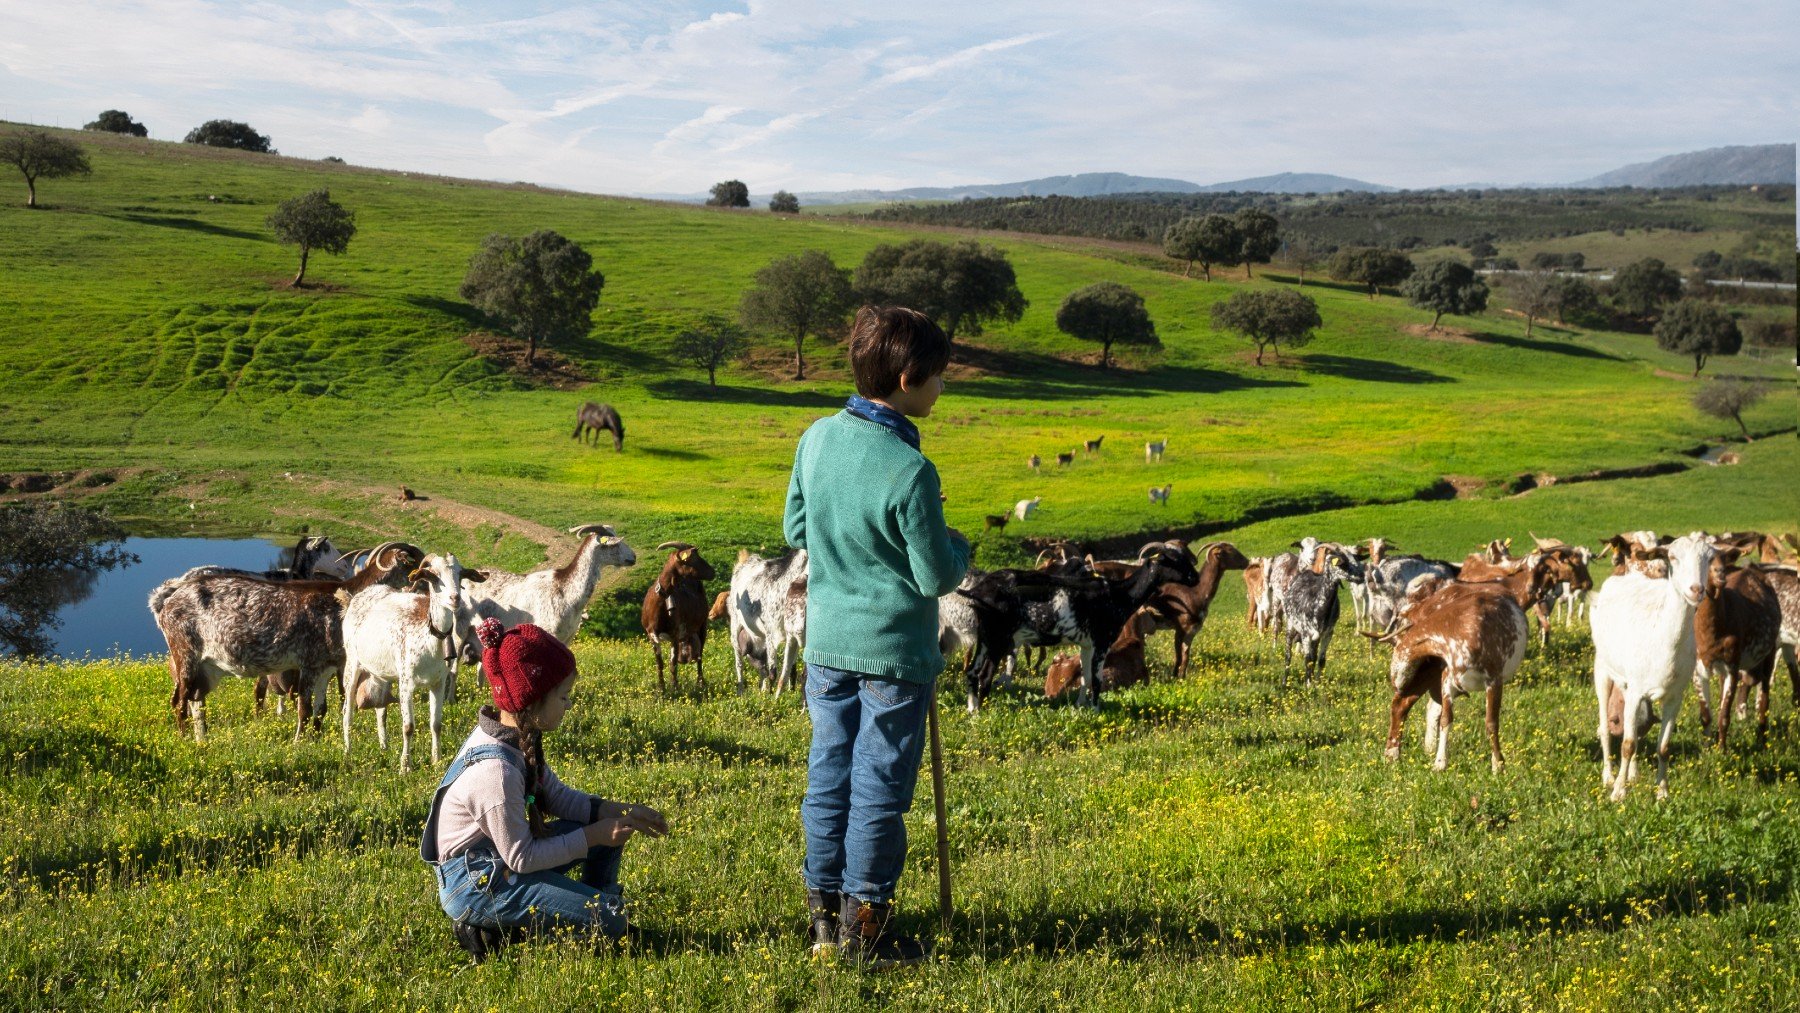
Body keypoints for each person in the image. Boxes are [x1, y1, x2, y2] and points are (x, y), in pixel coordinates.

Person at [783, 305, 971, 969]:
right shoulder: (911, 470)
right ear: (907, 377)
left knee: (829, 770)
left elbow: (796, 532)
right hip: (895, 652)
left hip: (828, 641)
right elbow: (932, 574)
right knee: (880, 787)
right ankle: (865, 930)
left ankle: (821, 917)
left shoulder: (814, 439)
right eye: (938, 376)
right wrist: (959, 545)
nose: (942, 388)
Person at [420, 618, 669, 961]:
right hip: (477, 884)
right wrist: (594, 835)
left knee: (610, 837)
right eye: (564, 696)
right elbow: (522, 858)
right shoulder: (496, 772)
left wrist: (619, 811)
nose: (568, 704)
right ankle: (489, 925)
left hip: (498, 860)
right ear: (534, 698)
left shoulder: (517, 738)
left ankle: (593, 911)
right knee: (609, 914)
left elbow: (556, 797)